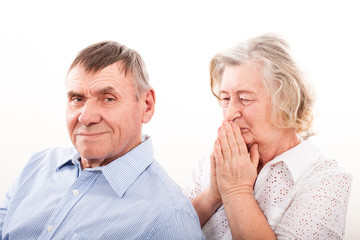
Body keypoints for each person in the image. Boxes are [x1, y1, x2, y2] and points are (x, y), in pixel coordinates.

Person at [0, 41, 205, 239]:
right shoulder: (36, 166)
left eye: (108, 98)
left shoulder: (169, 218)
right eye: (77, 99)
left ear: (147, 106)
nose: (86, 117)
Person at [183, 34, 352, 239]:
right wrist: (212, 196)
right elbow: (166, 229)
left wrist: (236, 191)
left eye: (244, 99)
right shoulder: (218, 158)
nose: (229, 114)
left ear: (286, 100)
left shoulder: (326, 177)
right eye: (226, 98)